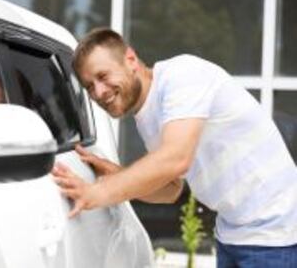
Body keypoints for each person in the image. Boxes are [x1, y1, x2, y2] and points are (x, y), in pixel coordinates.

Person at [51, 28, 297, 267]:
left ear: (131, 59)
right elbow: (170, 189)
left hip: (275, 229)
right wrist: (116, 173)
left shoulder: (182, 76)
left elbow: (176, 159)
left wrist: (97, 193)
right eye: (90, 87)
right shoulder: (145, 115)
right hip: (232, 231)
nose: (99, 92)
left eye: (103, 77)